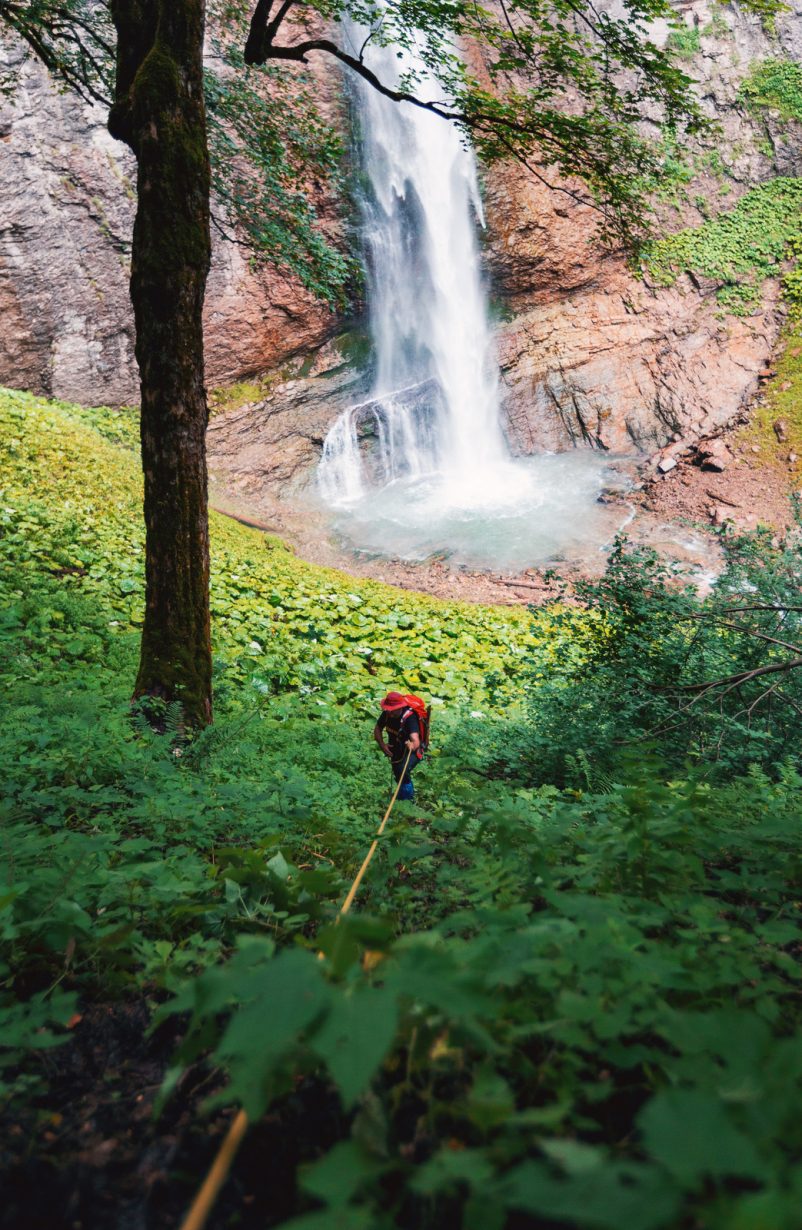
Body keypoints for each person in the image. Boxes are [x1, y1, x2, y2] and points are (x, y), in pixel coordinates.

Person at [373, 691, 424, 801]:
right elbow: (377, 729)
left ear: (400, 707)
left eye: (392, 710)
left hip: (412, 750)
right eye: (388, 709)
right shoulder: (387, 713)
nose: (389, 713)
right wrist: (382, 745)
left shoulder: (410, 718)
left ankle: (407, 800)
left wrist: (412, 745)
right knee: (397, 771)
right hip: (396, 746)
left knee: (402, 771)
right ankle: (401, 794)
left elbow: (416, 741)